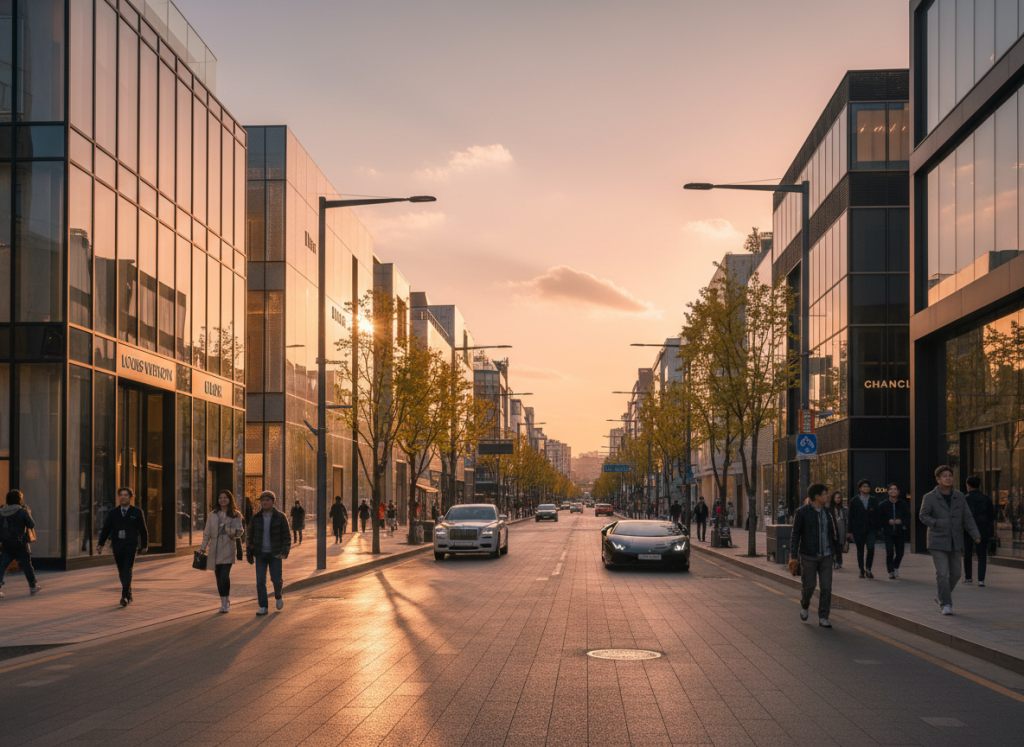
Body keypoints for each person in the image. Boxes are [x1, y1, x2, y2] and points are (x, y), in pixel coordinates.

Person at [920, 465, 981, 615]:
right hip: (937, 540)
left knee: (956, 573)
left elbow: (967, 517)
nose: (948, 478)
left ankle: (940, 595)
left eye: (950, 476)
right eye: (945, 476)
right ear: (938, 479)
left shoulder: (959, 496)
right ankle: (946, 603)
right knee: (942, 572)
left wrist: (976, 535)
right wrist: (936, 523)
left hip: (955, 539)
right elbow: (923, 516)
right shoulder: (930, 497)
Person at [790, 483, 842, 628]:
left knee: (826, 587)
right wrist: (793, 556)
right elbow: (795, 535)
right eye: (825, 494)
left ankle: (823, 616)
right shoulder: (802, 512)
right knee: (809, 586)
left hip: (826, 555)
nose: (827, 496)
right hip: (808, 556)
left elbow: (833, 534)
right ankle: (805, 604)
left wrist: (837, 554)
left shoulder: (828, 512)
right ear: (817, 496)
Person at [97, 487, 149, 607]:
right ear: (118, 497)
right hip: (117, 546)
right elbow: (106, 529)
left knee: (127, 569)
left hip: (131, 546)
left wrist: (144, 545)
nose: (123, 497)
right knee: (121, 571)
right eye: (121, 495)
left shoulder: (137, 512)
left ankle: (124, 596)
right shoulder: (113, 513)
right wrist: (101, 544)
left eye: (125, 495)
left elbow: (143, 530)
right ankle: (129, 593)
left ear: (130, 497)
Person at [246, 490, 291, 616]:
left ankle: (278, 595)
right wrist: (249, 551)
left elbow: (287, 536)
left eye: (267, 500)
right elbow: (250, 535)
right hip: (260, 554)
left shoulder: (280, 517)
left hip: (275, 554)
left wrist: (284, 551)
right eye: (262, 500)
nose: (264, 503)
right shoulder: (256, 518)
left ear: (273, 502)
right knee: (260, 581)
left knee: (276, 579)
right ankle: (263, 606)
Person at [200, 489, 245, 613]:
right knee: (218, 577)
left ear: (230, 499)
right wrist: (202, 548)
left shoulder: (235, 514)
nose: (222, 500)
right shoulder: (212, 515)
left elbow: (239, 532)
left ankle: (226, 602)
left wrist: (228, 528)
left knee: (225, 576)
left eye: (225, 497)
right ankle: (223, 600)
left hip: (228, 548)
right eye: (220, 498)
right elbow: (207, 533)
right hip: (214, 549)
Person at [0, 490, 40, 599]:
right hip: (21, 544)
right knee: (27, 565)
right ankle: (32, 586)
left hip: (6, 544)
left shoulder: (2, 511)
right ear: (19, 499)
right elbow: (31, 524)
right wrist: (28, 512)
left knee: (2, 566)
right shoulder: (22, 511)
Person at [963, 475, 995, 587]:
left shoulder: (965, 499)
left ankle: (968, 578)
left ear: (968, 485)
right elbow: (991, 517)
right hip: (983, 529)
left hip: (968, 530)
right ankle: (981, 579)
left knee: (967, 553)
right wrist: (991, 532)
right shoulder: (986, 499)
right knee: (982, 554)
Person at [848, 478, 880, 579]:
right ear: (860, 488)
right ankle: (861, 569)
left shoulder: (874, 500)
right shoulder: (854, 501)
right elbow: (850, 516)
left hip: (871, 529)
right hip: (858, 529)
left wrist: (877, 528)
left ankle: (868, 569)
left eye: (867, 486)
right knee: (860, 550)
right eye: (864, 487)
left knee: (870, 548)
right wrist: (849, 531)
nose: (866, 488)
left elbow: (877, 515)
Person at [880, 482, 909, 580]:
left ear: (898, 491)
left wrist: (901, 521)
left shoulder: (903, 504)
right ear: (888, 491)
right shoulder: (883, 505)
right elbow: (879, 518)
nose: (893, 491)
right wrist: (888, 522)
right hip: (888, 532)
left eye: (895, 489)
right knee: (890, 552)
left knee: (900, 553)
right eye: (891, 489)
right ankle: (891, 571)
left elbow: (907, 517)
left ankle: (896, 567)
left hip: (900, 532)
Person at [828, 492, 848, 570]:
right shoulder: (829, 510)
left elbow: (846, 521)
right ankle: (835, 561)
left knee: (840, 546)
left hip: (842, 530)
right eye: (836, 497)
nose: (837, 499)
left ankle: (839, 561)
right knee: (834, 546)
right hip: (833, 530)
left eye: (839, 497)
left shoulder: (844, 509)